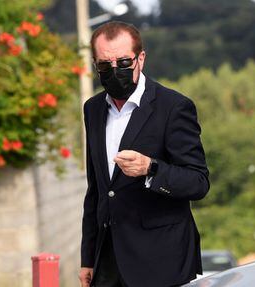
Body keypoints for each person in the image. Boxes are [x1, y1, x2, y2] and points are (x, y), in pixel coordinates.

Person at [78, 21, 209, 287]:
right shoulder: (92, 109)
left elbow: (198, 182)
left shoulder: (174, 107)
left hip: (161, 262)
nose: (115, 71)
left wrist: (151, 168)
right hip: (108, 263)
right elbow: (97, 191)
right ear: (95, 65)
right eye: (105, 65)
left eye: (124, 62)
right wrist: (88, 258)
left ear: (141, 59)